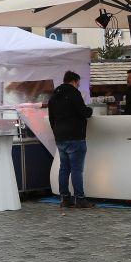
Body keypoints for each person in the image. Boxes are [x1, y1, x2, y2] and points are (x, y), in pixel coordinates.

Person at [48, 71, 93, 208]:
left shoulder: (54, 95)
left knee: (64, 168)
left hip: (60, 137)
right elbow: (83, 112)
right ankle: (79, 199)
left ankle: (65, 198)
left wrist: (56, 132)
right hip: (75, 136)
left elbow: (51, 118)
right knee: (76, 170)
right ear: (74, 81)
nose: (79, 85)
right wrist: (90, 110)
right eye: (78, 82)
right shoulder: (74, 93)